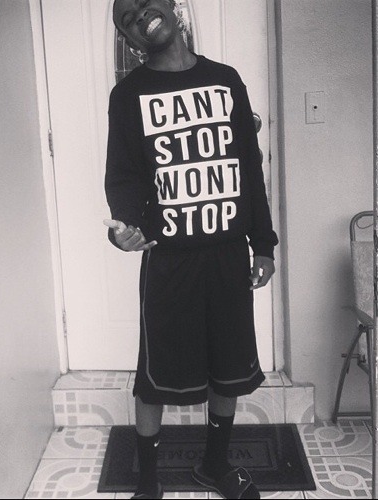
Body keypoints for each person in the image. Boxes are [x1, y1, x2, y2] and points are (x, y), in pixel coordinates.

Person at [104, 0, 278, 498]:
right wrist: (124, 230)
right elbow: (123, 177)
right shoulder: (128, 95)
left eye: (145, 3)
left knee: (229, 367)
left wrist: (263, 244)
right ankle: (149, 484)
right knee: (154, 375)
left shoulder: (226, 80)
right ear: (129, 39)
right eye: (127, 18)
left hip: (227, 255)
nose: (140, 15)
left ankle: (215, 466)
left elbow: (248, 168)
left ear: (171, 5)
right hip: (169, 261)